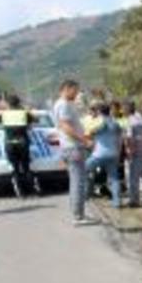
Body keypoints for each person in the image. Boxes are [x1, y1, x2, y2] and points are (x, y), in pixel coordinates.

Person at [53, 79, 94, 225]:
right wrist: (84, 140)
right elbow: (66, 126)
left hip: (70, 147)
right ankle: (78, 216)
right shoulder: (63, 104)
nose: (77, 93)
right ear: (67, 89)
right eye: (75, 90)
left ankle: (78, 213)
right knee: (78, 182)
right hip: (73, 147)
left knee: (76, 181)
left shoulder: (63, 104)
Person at [0, 94, 37, 197]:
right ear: (19, 103)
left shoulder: (4, 114)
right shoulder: (23, 113)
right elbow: (36, 119)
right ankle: (31, 191)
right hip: (23, 143)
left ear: (8, 104)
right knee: (26, 167)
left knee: (15, 169)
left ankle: (21, 193)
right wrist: (26, 110)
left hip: (10, 144)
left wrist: (4, 109)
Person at [85, 102, 123, 208]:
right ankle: (117, 202)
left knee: (83, 169)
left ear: (100, 112)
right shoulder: (115, 122)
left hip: (99, 154)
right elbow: (120, 138)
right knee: (114, 178)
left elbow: (88, 134)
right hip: (114, 153)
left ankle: (85, 195)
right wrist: (119, 152)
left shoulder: (99, 123)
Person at [125, 101, 142, 207]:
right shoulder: (141, 119)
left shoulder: (130, 121)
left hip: (136, 153)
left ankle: (134, 200)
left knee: (134, 178)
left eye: (125, 107)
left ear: (128, 108)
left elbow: (129, 137)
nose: (123, 110)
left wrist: (130, 151)